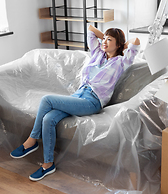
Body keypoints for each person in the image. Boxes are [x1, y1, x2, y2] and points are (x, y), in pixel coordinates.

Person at [10, 25, 140, 181]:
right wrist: (107, 37)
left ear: (118, 44)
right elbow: (90, 29)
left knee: (47, 100)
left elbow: (136, 41)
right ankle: (47, 164)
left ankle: (31, 141)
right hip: (78, 95)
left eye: (109, 40)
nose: (104, 41)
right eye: (104, 38)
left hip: (92, 101)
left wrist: (123, 44)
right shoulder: (98, 53)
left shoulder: (121, 62)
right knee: (48, 118)